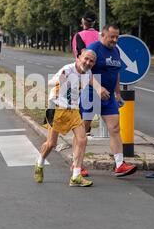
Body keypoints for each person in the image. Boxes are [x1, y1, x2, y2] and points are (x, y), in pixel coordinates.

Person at [34, 49, 110, 187]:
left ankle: (76, 176)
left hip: (73, 109)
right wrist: (61, 80)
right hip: (56, 108)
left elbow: (91, 79)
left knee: (82, 139)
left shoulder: (87, 72)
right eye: (86, 58)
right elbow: (51, 82)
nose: (88, 62)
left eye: (91, 61)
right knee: (51, 144)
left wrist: (100, 89)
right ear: (79, 57)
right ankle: (39, 162)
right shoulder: (67, 69)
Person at [80, 25, 137, 178]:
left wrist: (117, 92)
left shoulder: (116, 51)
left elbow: (116, 72)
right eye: (112, 37)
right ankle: (77, 165)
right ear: (103, 35)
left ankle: (120, 164)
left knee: (115, 128)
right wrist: (98, 88)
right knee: (83, 131)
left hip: (109, 96)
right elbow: (85, 70)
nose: (115, 40)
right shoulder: (94, 48)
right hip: (91, 93)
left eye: (117, 37)